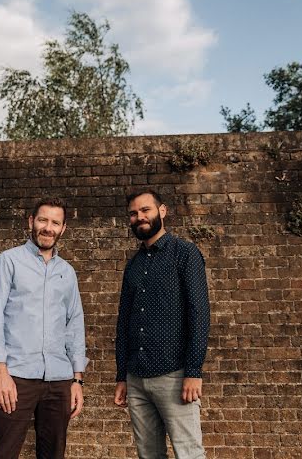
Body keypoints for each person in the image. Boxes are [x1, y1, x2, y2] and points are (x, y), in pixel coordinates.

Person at [0, 198, 89, 459]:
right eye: (43, 220)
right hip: (16, 376)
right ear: (31, 222)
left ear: (63, 229)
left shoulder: (67, 272)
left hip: (59, 379)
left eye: (55, 223)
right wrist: (0, 373)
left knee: (53, 454)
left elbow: (74, 324)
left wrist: (77, 380)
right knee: (2, 453)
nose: (48, 228)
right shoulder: (9, 261)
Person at [114, 189, 211, 459]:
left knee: (189, 453)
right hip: (136, 378)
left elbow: (199, 313)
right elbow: (124, 323)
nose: (139, 217)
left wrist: (193, 370)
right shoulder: (133, 265)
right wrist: (122, 376)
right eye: (133, 213)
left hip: (175, 375)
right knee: (148, 455)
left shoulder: (185, 254)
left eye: (145, 210)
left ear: (162, 211)